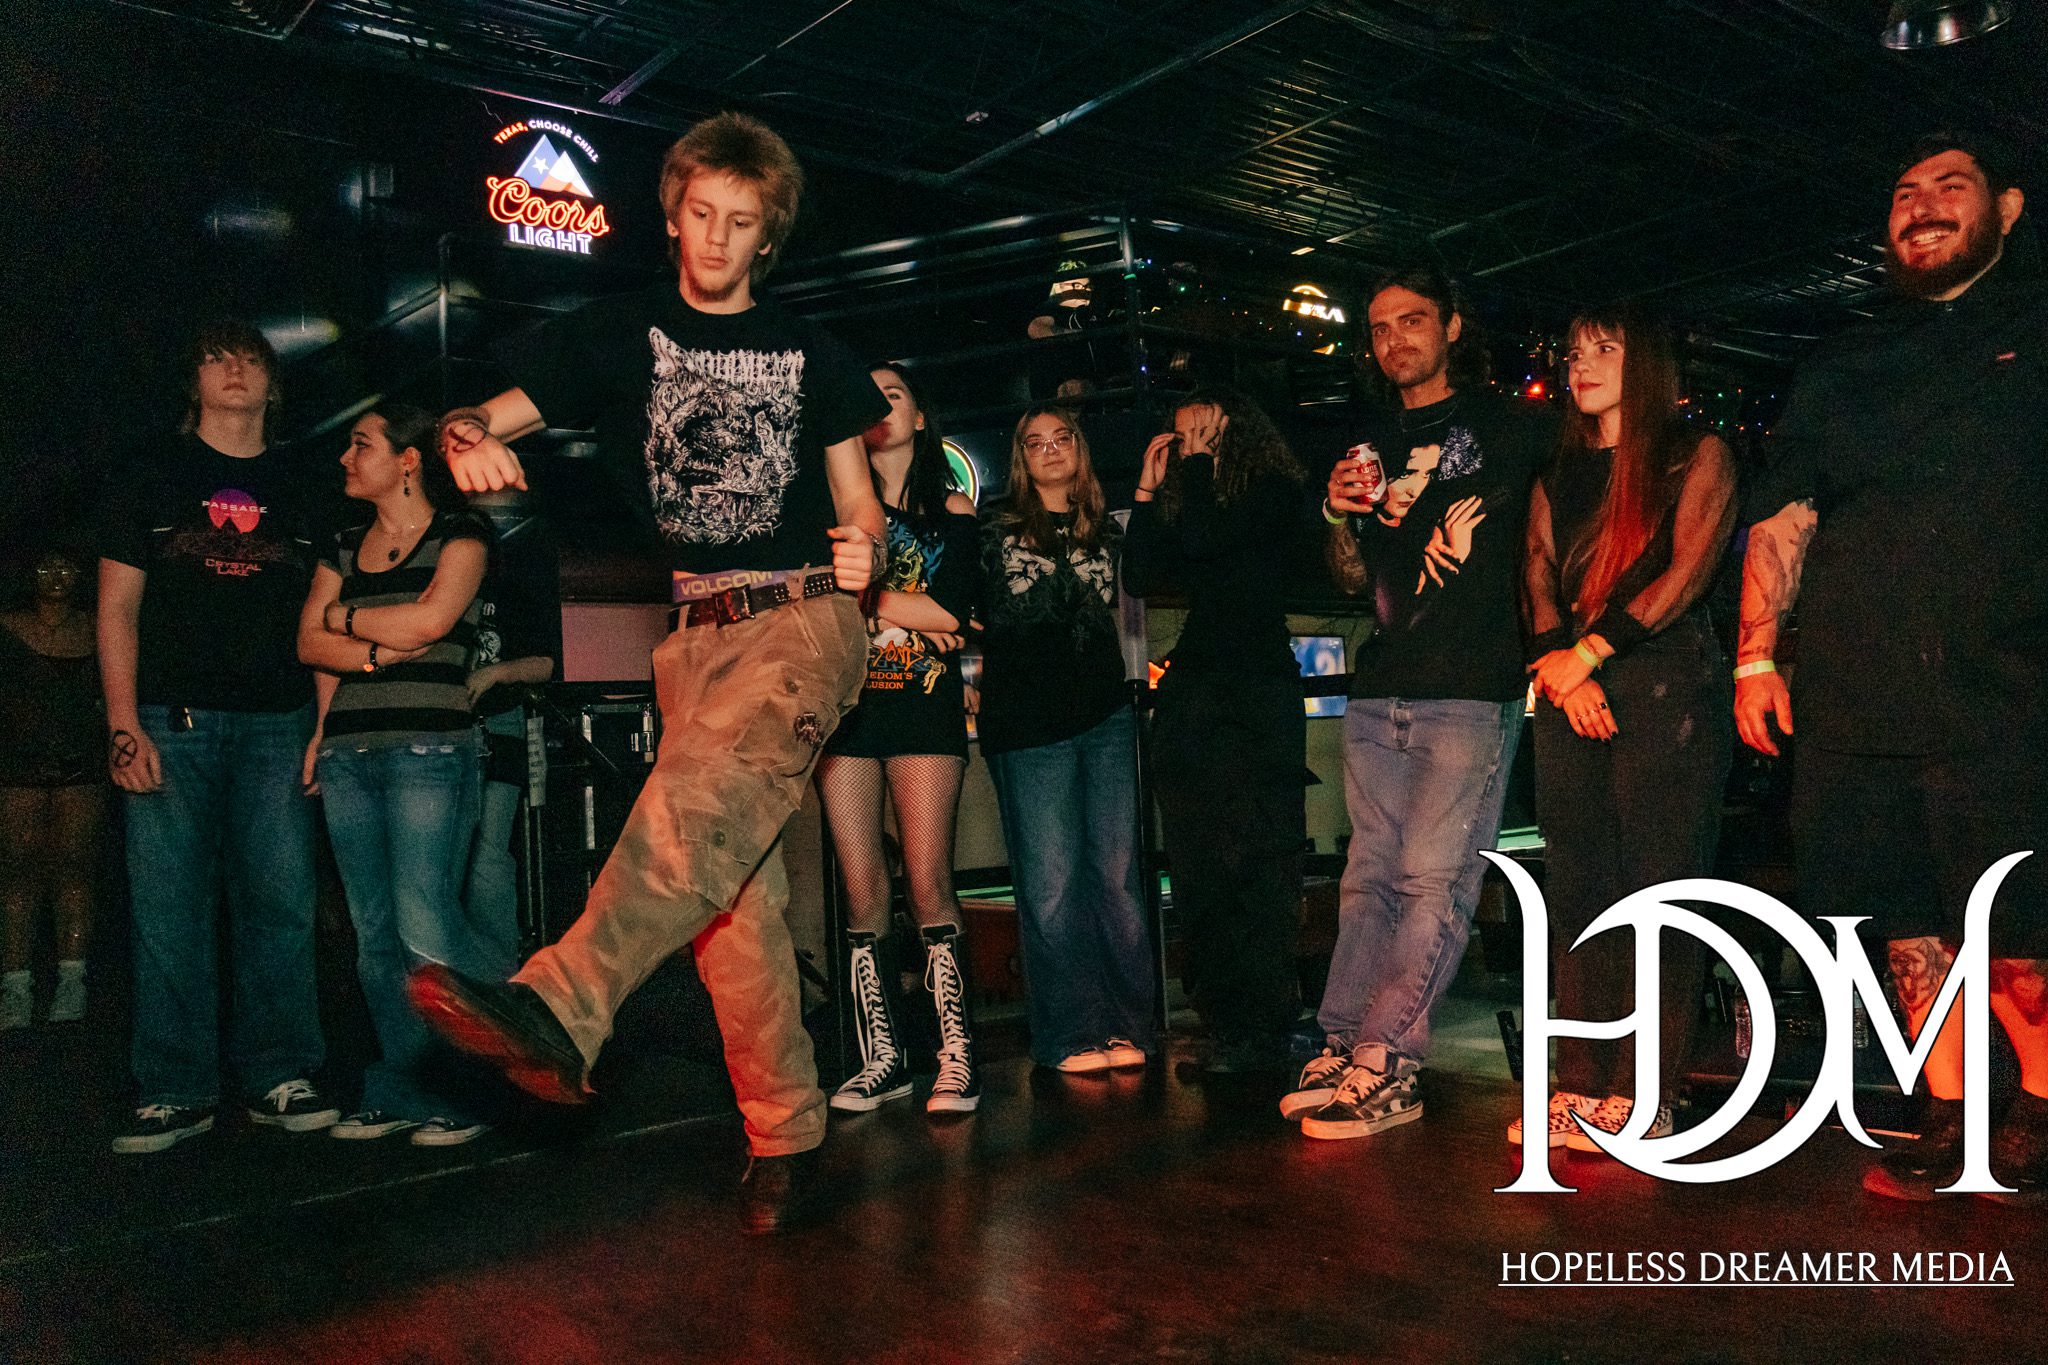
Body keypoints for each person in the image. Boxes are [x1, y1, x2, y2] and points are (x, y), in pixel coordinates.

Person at [406, 112, 888, 1234]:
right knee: (732, 911)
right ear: (673, 217)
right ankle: (786, 1133)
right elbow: (479, 414)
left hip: (801, 620)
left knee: (692, 824)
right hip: (691, 640)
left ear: (767, 238)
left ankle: (559, 1006)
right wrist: (462, 435)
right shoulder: (618, 334)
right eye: (703, 216)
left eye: (744, 224)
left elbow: (861, 506)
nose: (719, 240)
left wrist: (866, 547)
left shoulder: (814, 353)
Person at [1737, 132, 2048, 1203]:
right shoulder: (1843, 363)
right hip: (1851, 697)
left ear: (2004, 209)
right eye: (1902, 191)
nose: (1918, 205)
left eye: (1947, 187)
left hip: (2001, 691)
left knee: (2016, 918)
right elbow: (1783, 514)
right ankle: (1952, 1104)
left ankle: (2041, 1107)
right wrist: (1752, 661)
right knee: (1897, 915)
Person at [1288, 265, 1555, 1140]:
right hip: (1381, 686)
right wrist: (1334, 516)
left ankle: (1389, 1061)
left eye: (1412, 320)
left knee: (1434, 882)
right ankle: (1343, 1042)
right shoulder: (1369, 440)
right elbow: (1354, 579)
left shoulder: (1514, 427)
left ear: (1450, 326)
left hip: (1472, 687)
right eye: (1379, 327)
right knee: (1367, 881)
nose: (1395, 338)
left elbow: (1569, 527)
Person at [98, 320, 339, 1154]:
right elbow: (117, 608)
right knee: (169, 909)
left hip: (281, 724)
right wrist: (123, 726)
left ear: (273, 385)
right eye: (216, 358)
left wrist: (324, 724)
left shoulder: (304, 483)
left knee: (281, 905)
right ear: (193, 381)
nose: (234, 371)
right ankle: (174, 1088)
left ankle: (280, 1072)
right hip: (172, 720)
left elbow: (326, 612)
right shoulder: (152, 475)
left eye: (251, 360)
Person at [1518, 309, 1737, 1150]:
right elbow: (1535, 576)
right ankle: (1581, 1084)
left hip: (1666, 684)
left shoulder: (1697, 454)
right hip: (1570, 687)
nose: (1582, 365)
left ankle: (1649, 1094)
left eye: (1605, 349)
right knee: (1579, 893)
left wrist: (1593, 652)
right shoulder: (1555, 473)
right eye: (1573, 352)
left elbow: (1686, 572)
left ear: (1644, 360)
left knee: (1659, 894)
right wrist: (1561, 668)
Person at [299, 404, 494, 1146]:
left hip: (428, 748)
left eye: (361, 444)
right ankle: (402, 1082)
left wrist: (346, 618)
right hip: (350, 751)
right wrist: (335, 712)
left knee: (425, 925)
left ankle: (465, 1086)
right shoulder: (342, 542)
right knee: (373, 936)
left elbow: (431, 622)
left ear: (408, 459)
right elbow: (305, 643)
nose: (347, 458)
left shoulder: (463, 534)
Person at [1122, 387, 1307, 1074]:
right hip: (1198, 695)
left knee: (1261, 859)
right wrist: (1146, 490)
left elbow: (1210, 542)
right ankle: (1227, 1025)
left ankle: (1266, 1023)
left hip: (1258, 690)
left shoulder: (1274, 491)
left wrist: (1194, 468)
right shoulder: (1185, 496)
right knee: (1200, 866)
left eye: (1206, 428)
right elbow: (1139, 573)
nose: (1192, 439)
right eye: (1182, 432)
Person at [816, 365, 983, 1114]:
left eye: (895, 393)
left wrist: (873, 596)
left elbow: (952, 612)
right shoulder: (830, 511)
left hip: (922, 712)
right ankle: (882, 1059)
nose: (878, 404)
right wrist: (906, 610)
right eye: (868, 393)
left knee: (927, 880)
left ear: (920, 417)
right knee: (860, 890)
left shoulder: (950, 506)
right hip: (847, 713)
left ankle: (956, 1061)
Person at [977, 405, 1158, 1074]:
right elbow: (981, 611)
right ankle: (1069, 1033)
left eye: (1062, 439)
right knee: (1052, 887)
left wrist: (1141, 492)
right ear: (1022, 458)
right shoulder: (994, 526)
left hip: (1106, 717)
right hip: (1028, 728)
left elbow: (1143, 578)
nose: (1051, 450)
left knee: (1117, 880)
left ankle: (1129, 1024)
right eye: (1035, 442)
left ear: (1080, 451)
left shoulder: (1104, 529)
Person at [0, 548, 106, 1029]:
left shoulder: (97, 626)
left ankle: (72, 981)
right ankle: (16, 985)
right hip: (17, 762)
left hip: (81, 761)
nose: (56, 575)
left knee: (75, 868)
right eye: (45, 565)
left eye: (66, 565)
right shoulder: (8, 627)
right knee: (19, 871)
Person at [462, 487, 561, 979]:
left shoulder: (513, 589)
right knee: (458, 853)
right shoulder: (439, 586)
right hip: (448, 732)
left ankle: (499, 972)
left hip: (501, 728)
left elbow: (546, 663)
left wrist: (494, 674)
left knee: (487, 851)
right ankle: (463, 969)